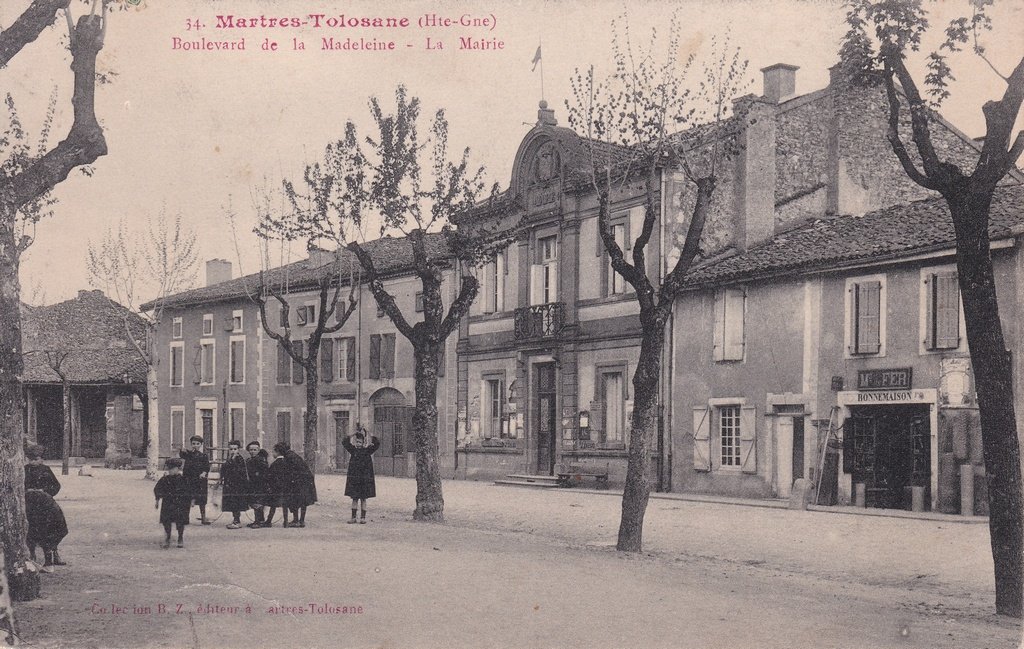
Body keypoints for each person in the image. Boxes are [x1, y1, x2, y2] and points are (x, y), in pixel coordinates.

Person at [342, 427, 380, 524]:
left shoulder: (368, 451)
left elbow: (377, 443)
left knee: (363, 499)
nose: (358, 444)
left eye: (360, 442)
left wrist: (369, 432)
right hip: (355, 480)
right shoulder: (353, 450)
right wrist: (354, 433)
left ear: (363, 443)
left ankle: (363, 518)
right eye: (357, 442)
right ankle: (353, 517)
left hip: (364, 480)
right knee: (354, 499)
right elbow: (344, 441)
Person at [277, 442, 317, 528]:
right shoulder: (293, 455)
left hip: (298, 482)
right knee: (303, 501)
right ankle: (301, 521)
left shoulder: (288, 457)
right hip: (305, 481)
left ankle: (296, 520)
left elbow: (289, 472)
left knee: (294, 500)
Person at [154, 458, 191, 549]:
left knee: (180, 521)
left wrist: (190, 501)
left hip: (180, 504)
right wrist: (157, 500)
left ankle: (180, 537)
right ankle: (168, 537)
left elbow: (189, 491)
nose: (170, 471)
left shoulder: (183, 479)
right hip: (168, 503)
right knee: (166, 521)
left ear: (178, 469)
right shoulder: (165, 479)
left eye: (173, 468)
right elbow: (157, 489)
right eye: (169, 469)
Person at [179, 435, 211, 525]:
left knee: (202, 499)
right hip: (188, 480)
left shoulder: (204, 455)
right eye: (193, 444)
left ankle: (203, 518)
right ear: (191, 444)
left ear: (201, 444)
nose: (195, 445)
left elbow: (207, 467)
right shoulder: (188, 454)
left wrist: (204, 473)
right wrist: (181, 449)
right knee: (187, 498)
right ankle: (186, 518)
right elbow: (182, 454)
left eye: (197, 444)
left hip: (200, 481)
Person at [219, 440, 251, 529]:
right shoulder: (229, 458)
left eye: (235, 449)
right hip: (229, 484)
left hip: (237, 485)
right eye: (231, 449)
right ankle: (235, 519)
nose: (233, 451)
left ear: (238, 449)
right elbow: (224, 469)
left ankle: (237, 520)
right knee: (232, 503)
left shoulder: (239, 459)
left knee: (236, 503)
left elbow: (240, 472)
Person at [264, 444, 292, 528]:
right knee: (285, 505)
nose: (272, 453)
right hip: (285, 488)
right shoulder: (287, 463)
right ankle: (286, 522)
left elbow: (270, 476)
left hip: (275, 488)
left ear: (277, 452)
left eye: (273, 451)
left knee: (273, 505)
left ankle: (269, 521)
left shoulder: (275, 464)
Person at [244, 439, 270, 528]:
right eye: (251, 450)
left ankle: (258, 521)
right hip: (252, 484)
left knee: (257, 503)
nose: (252, 451)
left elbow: (265, 472)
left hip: (259, 485)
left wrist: (258, 476)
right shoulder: (249, 460)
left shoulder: (260, 460)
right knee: (254, 502)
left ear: (258, 450)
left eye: (255, 450)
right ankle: (259, 520)